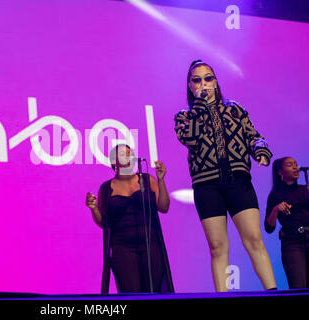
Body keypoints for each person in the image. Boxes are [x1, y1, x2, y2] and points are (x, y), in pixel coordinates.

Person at [174, 59, 277, 291]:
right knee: (217, 246)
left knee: (254, 240)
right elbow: (189, 138)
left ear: (216, 82)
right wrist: (200, 106)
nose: (204, 84)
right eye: (197, 80)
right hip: (206, 186)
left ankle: (272, 292)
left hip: (238, 181)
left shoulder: (234, 108)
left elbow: (253, 135)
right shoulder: (185, 116)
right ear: (190, 85)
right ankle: (223, 296)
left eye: (208, 78)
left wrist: (261, 151)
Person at [85, 144, 174, 293]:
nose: (128, 156)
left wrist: (161, 180)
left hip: (150, 245)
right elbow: (104, 223)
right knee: (131, 292)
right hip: (122, 248)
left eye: (129, 153)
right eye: (123, 154)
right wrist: (93, 208)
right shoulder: (106, 188)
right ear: (114, 162)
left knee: (152, 292)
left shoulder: (147, 180)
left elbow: (164, 207)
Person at [265, 157, 309, 289]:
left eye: (296, 164)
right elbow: (268, 227)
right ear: (280, 172)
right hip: (292, 243)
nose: (295, 167)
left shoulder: (305, 190)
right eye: (290, 165)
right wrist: (276, 210)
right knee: (299, 286)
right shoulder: (275, 195)